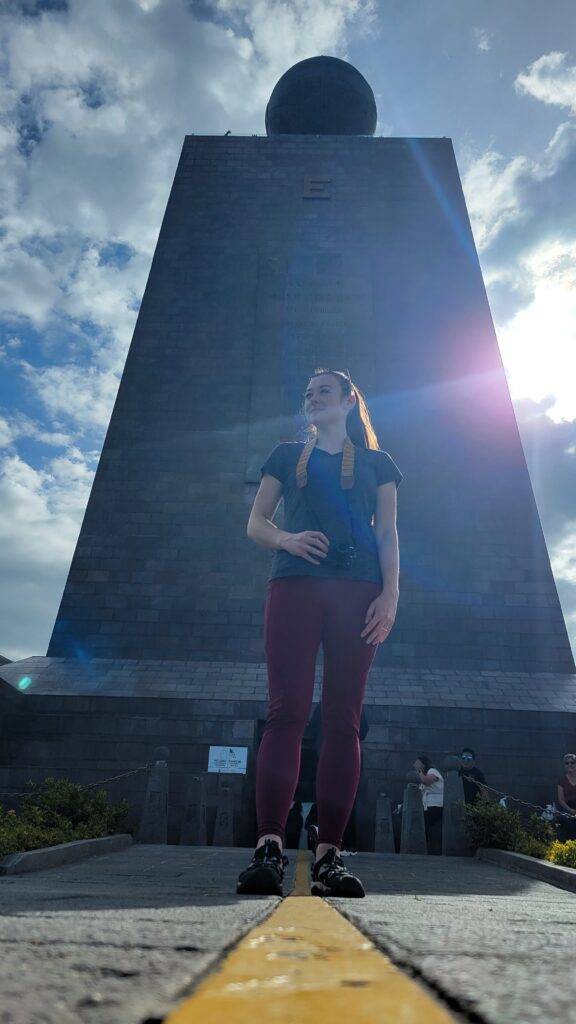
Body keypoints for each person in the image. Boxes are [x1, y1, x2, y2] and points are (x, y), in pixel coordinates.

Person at [236, 367, 403, 898]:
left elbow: (389, 534)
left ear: (349, 400)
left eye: (323, 392)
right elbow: (256, 522)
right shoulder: (286, 455)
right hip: (294, 586)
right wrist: (286, 540)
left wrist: (391, 595)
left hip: (358, 594)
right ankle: (268, 848)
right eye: (307, 394)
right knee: (286, 711)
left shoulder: (379, 464)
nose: (312, 399)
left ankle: (330, 853)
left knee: (343, 719)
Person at [304, 703, 369, 854]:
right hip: (348, 757)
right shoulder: (356, 702)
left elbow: (312, 730)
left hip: (324, 755)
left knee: (324, 797)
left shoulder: (322, 704)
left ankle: (320, 836)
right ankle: (345, 843)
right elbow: (364, 731)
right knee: (348, 801)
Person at [414, 755, 444, 854]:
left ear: (423, 764)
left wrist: (419, 772)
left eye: (417, 763)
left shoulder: (432, 771)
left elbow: (426, 781)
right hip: (427, 806)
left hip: (436, 805)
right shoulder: (424, 774)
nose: (415, 765)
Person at [556, 752, 576, 841]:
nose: (570, 765)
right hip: (568, 809)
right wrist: (571, 810)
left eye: (572, 762)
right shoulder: (561, 781)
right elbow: (561, 800)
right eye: (567, 763)